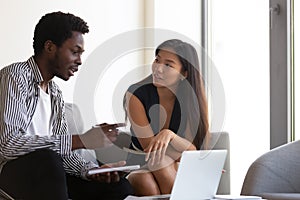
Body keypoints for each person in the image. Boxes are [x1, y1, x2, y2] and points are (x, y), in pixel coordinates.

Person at [0, 11, 133, 200]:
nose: (79, 60)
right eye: (74, 51)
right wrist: (80, 140)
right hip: (12, 174)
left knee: (119, 187)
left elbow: (64, 154)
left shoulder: (55, 93)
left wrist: (92, 172)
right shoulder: (15, 77)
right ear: (50, 47)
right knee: (49, 159)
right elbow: (8, 145)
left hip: (49, 174)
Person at [123, 39, 210, 196]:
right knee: (152, 171)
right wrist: (182, 151)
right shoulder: (135, 95)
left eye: (168, 65)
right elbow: (152, 150)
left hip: (175, 166)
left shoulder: (191, 100)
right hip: (139, 164)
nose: (158, 69)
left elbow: (193, 151)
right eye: (157, 60)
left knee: (156, 170)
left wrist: (169, 135)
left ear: (184, 73)